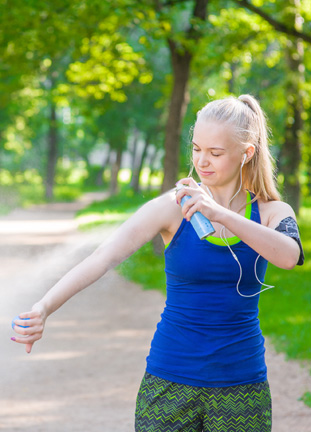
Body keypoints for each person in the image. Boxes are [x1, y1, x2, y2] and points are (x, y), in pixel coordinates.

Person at [11, 94, 304, 432]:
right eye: (196, 148)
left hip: (242, 385)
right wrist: (44, 307)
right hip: (168, 380)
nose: (202, 161)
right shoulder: (170, 208)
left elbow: (288, 256)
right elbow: (102, 256)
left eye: (215, 152)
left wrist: (218, 213)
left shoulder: (272, 212)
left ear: (246, 153)